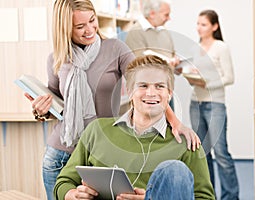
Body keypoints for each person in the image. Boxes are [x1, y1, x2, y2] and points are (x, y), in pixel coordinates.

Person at [24, 1, 199, 199]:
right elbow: (57, 101)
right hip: (60, 154)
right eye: (80, 26)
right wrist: (40, 110)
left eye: (92, 21)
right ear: (64, 28)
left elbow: (146, 84)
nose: (90, 29)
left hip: (100, 150)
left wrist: (175, 122)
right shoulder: (56, 58)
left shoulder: (116, 49)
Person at [53, 55, 215, 200]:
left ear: (169, 94)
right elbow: (63, 182)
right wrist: (72, 195)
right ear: (130, 92)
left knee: (174, 169)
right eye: (143, 86)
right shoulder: (97, 131)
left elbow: (205, 197)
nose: (151, 93)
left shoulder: (187, 143)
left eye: (159, 86)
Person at [185, 10, 239, 200]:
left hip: (215, 104)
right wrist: (188, 74)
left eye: (204, 24)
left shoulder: (220, 47)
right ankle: (209, 195)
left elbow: (229, 77)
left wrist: (207, 84)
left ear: (214, 26)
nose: (199, 28)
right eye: (198, 24)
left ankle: (231, 196)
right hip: (196, 104)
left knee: (221, 153)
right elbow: (193, 75)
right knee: (202, 153)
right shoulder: (196, 48)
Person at [125, 0, 180, 110]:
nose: (169, 18)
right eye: (166, 15)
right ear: (152, 14)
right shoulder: (135, 32)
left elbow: (172, 55)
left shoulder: (164, 32)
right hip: (148, 96)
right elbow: (140, 67)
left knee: (169, 126)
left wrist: (175, 61)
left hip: (166, 90)